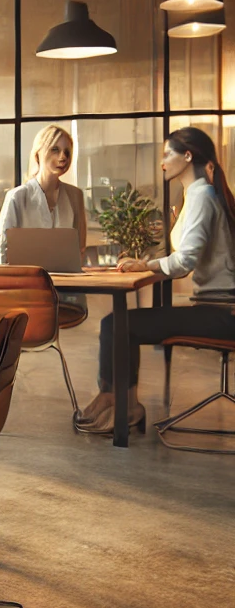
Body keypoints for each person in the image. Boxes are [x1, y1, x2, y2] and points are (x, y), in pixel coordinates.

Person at [78, 126, 235, 434]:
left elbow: (184, 263)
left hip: (221, 313)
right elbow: (187, 259)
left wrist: (144, 264)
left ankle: (122, 404)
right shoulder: (199, 194)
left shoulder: (202, 196)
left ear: (187, 156)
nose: (162, 162)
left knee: (116, 324)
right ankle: (122, 402)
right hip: (218, 310)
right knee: (118, 324)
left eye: (167, 154)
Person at [0, 123, 87, 264]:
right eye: (55, 150)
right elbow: (2, 249)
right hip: (27, 280)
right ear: (38, 153)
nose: (63, 157)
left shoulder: (75, 195)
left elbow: (79, 247)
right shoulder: (17, 196)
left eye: (67, 152)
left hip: (67, 279)